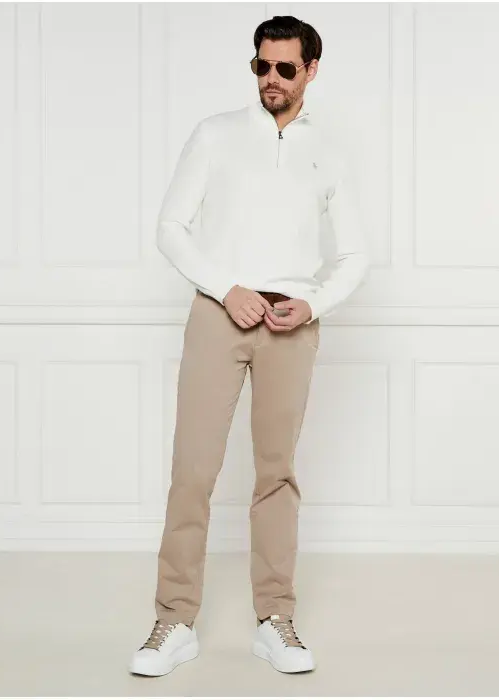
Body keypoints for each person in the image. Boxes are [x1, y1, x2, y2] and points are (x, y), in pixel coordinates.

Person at [128, 14, 371, 677]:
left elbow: (355, 254)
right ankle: (174, 619)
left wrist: (313, 303)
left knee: (276, 474)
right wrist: (225, 288)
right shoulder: (216, 134)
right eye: (262, 65)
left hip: (291, 322)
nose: (271, 78)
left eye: (286, 68)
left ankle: (275, 618)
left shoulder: (329, 153)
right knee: (193, 470)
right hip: (219, 313)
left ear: (311, 71)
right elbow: (171, 227)